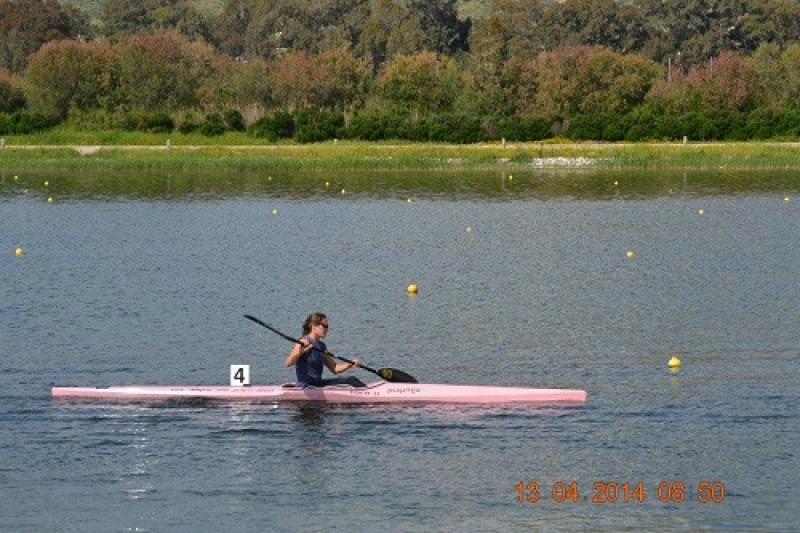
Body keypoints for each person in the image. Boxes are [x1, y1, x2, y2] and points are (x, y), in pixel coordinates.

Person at [285, 313, 366, 388]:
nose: (327, 329)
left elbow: (334, 368)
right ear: (313, 326)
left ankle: (366, 390)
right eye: (324, 325)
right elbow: (288, 363)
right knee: (350, 380)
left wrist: (351, 364)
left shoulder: (321, 346)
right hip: (306, 386)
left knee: (351, 379)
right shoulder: (303, 342)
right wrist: (300, 351)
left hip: (317, 384)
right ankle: (367, 392)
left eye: (327, 326)